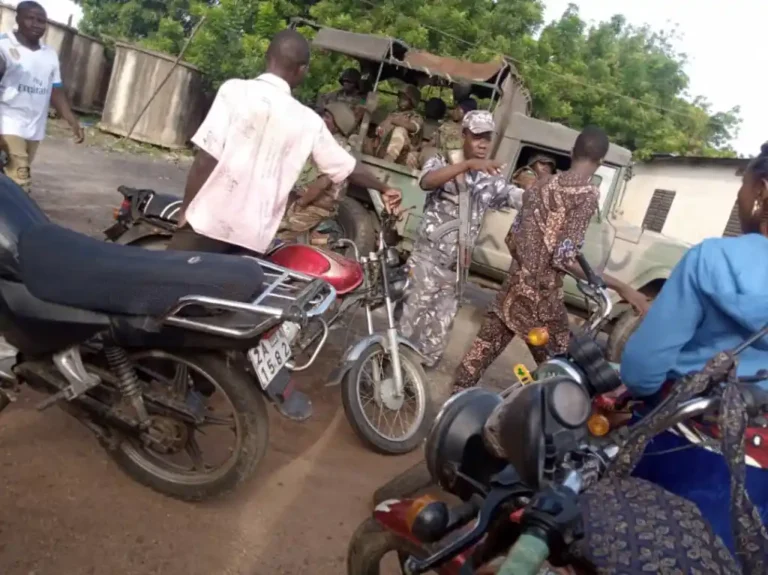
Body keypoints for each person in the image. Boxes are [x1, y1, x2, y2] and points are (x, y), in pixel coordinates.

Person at [616, 142, 768, 552]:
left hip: (677, 452)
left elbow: (641, 372)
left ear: (762, 190)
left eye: (744, 183)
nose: (740, 195)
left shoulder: (711, 259)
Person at [168, 29, 400, 257]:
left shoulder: (235, 91)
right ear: (302, 70)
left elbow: (206, 159)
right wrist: (385, 188)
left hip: (205, 223)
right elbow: (348, 167)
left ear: (267, 57)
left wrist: (185, 210)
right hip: (252, 239)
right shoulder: (308, 120)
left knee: (168, 287)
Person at [453, 126, 649, 392]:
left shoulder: (542, 183)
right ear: (601, 162)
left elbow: (513, 237)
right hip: (541, 302)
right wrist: (622, 287)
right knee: (561, 374)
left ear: (571, 153)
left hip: (512, 289)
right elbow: (565, 259)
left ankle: (452, 409)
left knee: (477, 358)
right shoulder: (586, 194)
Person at [398, 110, 525, 367]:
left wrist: (546, 194)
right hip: (427, 262)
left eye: (487, 138)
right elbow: (426, 182)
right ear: (464, 135)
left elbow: (515, 196)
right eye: (477, 136)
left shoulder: (490, 178)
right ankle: (383, 374)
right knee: (404, 327)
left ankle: (415, 383)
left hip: (456, 270)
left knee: (436, 337)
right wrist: (467, 166)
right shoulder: (441, 161)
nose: (483, 144)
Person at [0, 1, 83, 193]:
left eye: (41, 21)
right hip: (8, 123)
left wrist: (72, 120)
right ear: (18, 19)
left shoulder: (49, 54)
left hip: (35, 128)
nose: (37, 24)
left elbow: (56, 88)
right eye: (31, 18)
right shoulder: (4, 47)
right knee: (21, 181)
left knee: (7, 177)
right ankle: (22, 221)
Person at [276, 102, 358, 243]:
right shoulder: (329, 143)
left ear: (338, 124)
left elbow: (322, 184)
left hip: (315, 206)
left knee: (279, 240)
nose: (323, 119)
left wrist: (301, 203)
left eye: (327, 117)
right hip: (311, 204)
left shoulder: (336, 148)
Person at [376, 84, 424, 168]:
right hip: (382, 147)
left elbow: (413, 127)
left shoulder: (415, 116)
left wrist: (393, 121)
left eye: (405, 98)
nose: (401, 100)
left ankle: (387, 162)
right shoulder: (393, 113)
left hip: (404, 154)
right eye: (401, 97)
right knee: (354, 138)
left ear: (412, 101)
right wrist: (380, 129)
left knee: (399, 131)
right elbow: (380, 129)